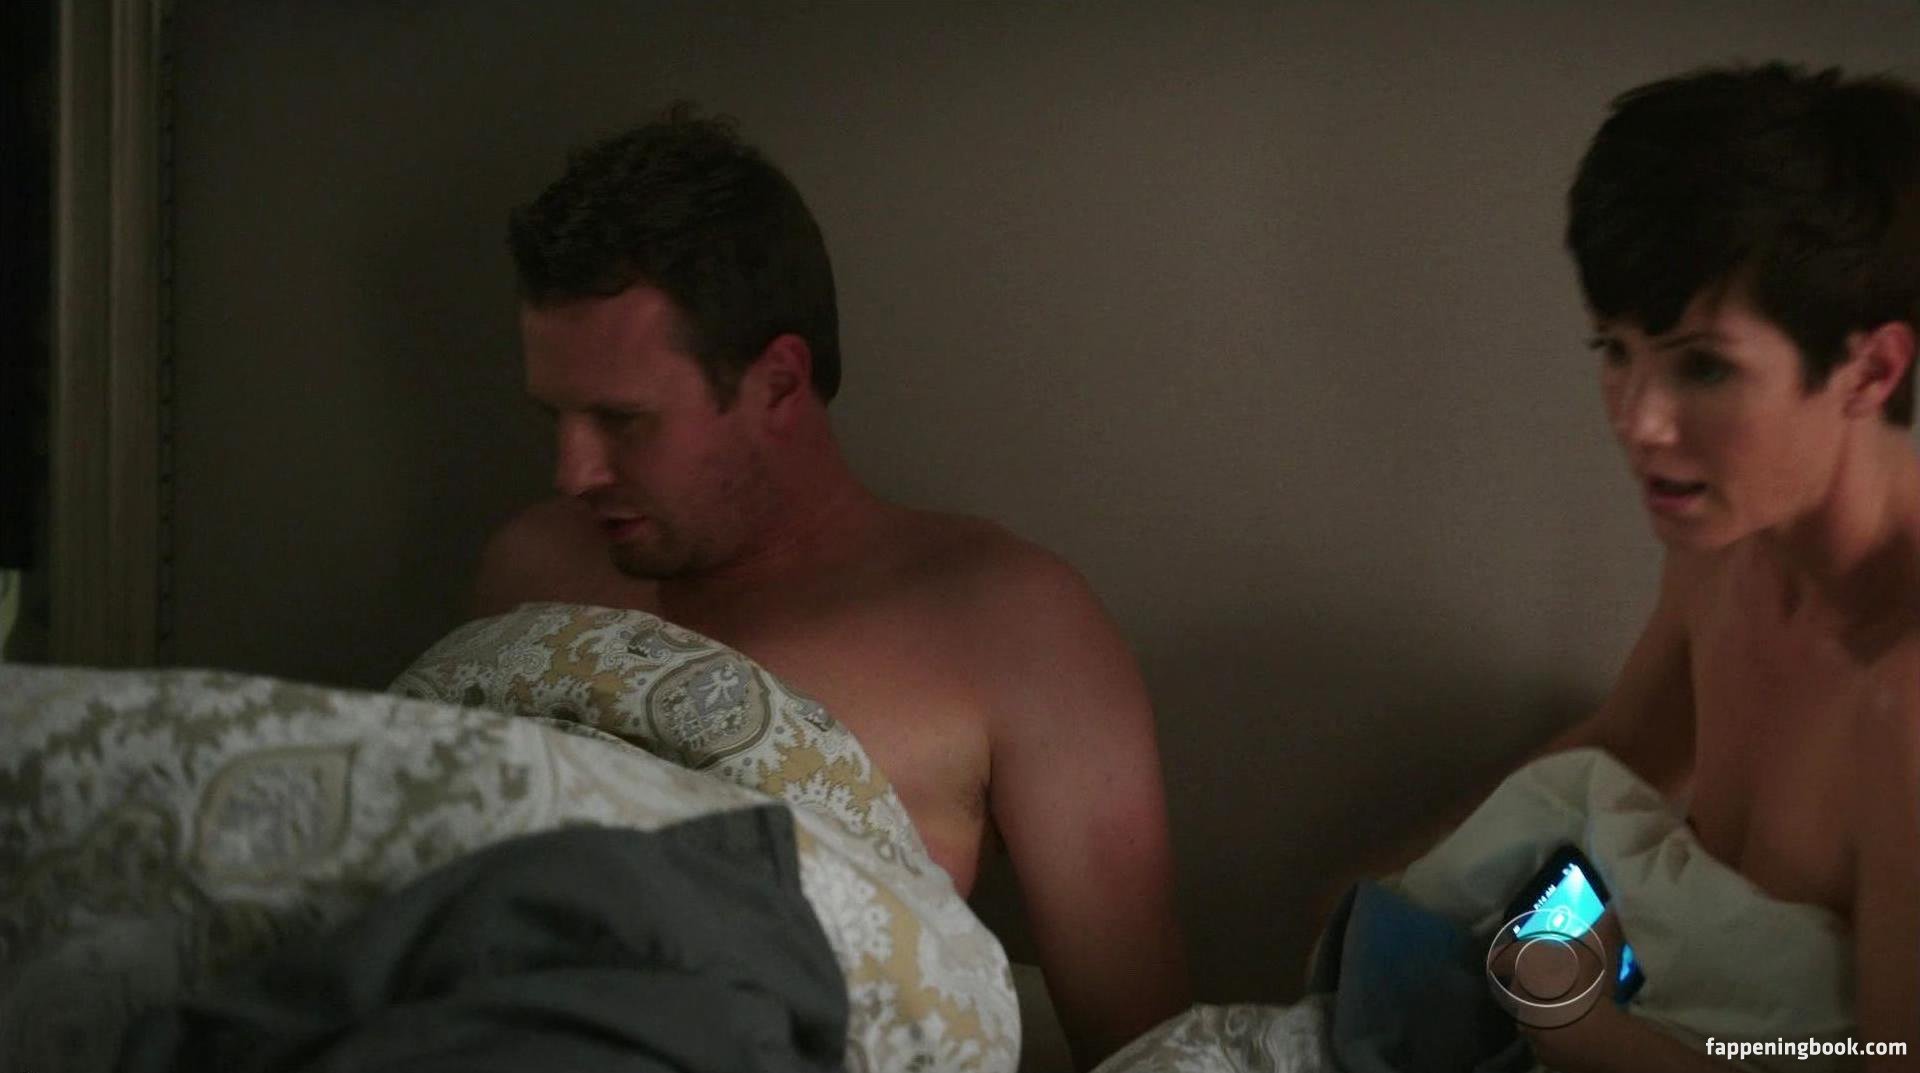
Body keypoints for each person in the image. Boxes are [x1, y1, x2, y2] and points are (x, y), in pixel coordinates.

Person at [471, 105, 1189, 1068]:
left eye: (623, 420)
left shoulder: (1009, 626)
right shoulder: (531, 573)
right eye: (553, 417)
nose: (572, 472)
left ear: (777, 383)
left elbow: (1144, 1044)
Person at [1492, 63, 1920, 1071]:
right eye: (1614, 349)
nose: (1638, 420)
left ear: (1870, 370)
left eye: (1703, 363)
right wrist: (1387, 890)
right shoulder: (1723, 554)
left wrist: (1580, 1028)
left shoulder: (1908, 704)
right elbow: (1624, 748)